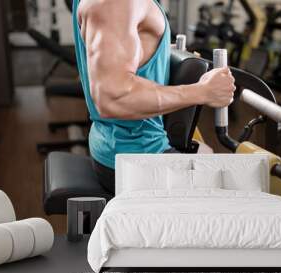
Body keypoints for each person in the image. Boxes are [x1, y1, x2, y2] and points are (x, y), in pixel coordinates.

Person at [72, 0, 236, 195]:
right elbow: (114, 97)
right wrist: (202, 92)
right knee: (232, 191)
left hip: (121, 147)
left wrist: (161, 50)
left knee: (207, 153)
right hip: (138, 158)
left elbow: (126, 47)